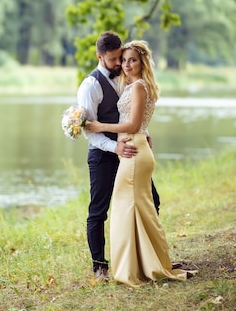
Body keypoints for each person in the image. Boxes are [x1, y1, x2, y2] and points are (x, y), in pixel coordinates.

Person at [85, 40, 193, 287]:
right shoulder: (132, 85)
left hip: (132, 151)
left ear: (142, 62)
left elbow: (133, 125)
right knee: (139, 207)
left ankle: (137, 267)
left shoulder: (138, 86)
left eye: (132, 60)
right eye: (123, 60)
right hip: (134, 147)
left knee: (129, 207)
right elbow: (138, 121)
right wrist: (143, 131)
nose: (125, 65)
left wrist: (101, 126)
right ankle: (147, 261)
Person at [77, 31, 161, 284]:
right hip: (104, 155)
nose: (119, 64)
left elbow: (134, 114)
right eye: (114, 59)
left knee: (151, 200)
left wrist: (142, 133)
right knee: (98, 211)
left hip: (131, 152)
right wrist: (115, 148)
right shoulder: (90, 86)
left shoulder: (129, 78)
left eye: (121, 58)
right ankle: (99, 267)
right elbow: (90, 132)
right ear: (99, 56)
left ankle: (150, 257)